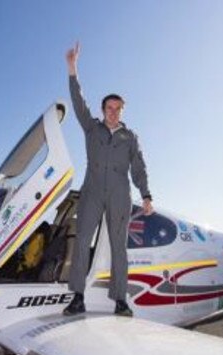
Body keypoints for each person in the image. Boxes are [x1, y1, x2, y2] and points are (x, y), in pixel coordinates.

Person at [63, 42, 154, 317]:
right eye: (109, 108)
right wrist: (72, 69)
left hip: (119, 193)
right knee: (82, 242)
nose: (113, 112)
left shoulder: (130, 137)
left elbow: (139, 167)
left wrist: (147, 195)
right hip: (91, 192)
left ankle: (120, 300)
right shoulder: (91, 128)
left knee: (118, 247)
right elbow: (78, 103)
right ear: (103, 110)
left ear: (122, 111)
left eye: (118, 108)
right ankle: (78, 297)